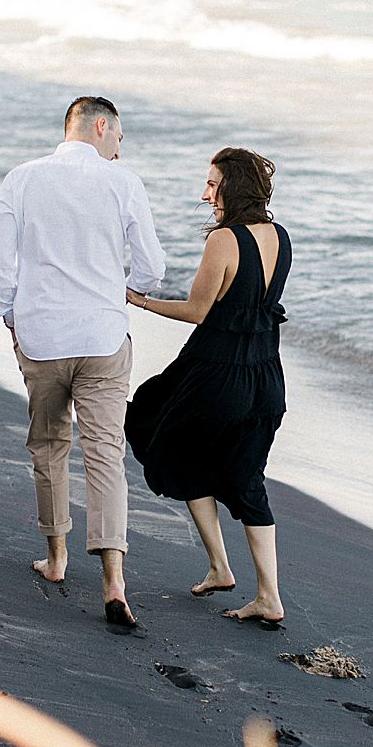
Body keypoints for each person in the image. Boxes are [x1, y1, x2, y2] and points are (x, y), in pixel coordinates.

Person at [0, 95, 165, 629]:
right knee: (106, 452)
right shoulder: (122, 181)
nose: (119, 147)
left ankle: (58, 558)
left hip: (41, 336)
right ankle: (113, 581)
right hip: (103, 337)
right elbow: (151, 264)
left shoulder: (22, 178)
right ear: (101, 126)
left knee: (48, 445)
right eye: (119, 137)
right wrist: (126, 293)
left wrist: (13, 312)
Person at [125, 147, 290, 629]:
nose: (205, 194)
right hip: (265, 377)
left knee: (154, 424)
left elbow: (199, 311)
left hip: (215, 373)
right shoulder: (280, 236)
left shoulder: (225, 240)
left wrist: (141, 301)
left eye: (213, 184)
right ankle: (261, 591)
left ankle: (227, 569)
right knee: (246, 477)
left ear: (233, 187)